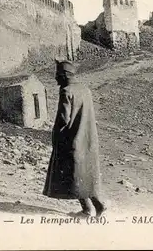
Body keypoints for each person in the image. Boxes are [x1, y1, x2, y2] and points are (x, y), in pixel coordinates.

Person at [43, 60, 106, 217]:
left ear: (64, 76)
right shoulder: (85, 89)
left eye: (57, 75)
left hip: (72, 139)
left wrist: (56, 136)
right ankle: (98, 205)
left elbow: (63, 119)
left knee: (75, 174)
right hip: (88, 138)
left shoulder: (66, 91)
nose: (55, 79)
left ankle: (87, 209)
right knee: (83, 173)